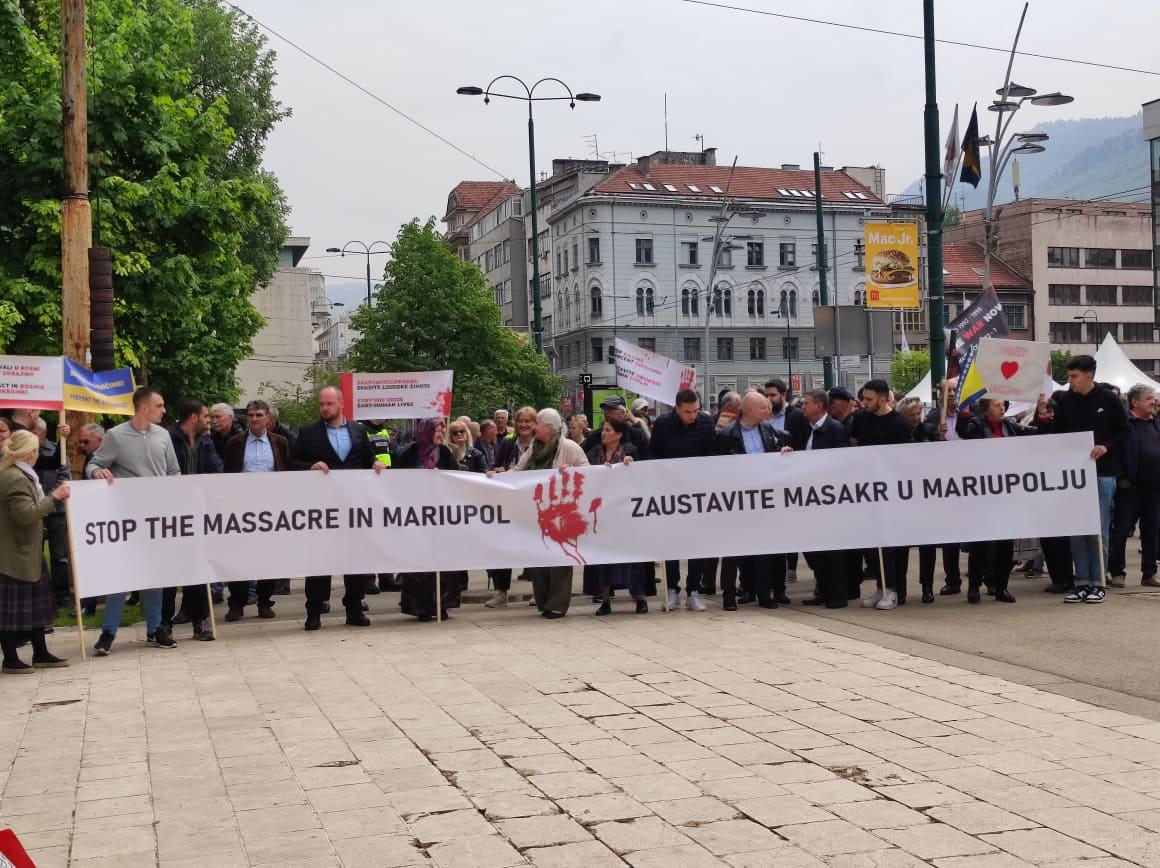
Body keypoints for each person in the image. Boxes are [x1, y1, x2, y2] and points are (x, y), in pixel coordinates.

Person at [87, 386, 182, 654]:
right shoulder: (116, 436)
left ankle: (155, 630)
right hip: (125, 517)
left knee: (155, 574)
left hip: (157, 517)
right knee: (121, 573)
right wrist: (98, 474)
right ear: (144, 407)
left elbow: (174, 471)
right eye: (160, 405)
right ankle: (108, 632)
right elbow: (94, 464)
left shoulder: (163, 435)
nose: (164, 410)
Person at [289, 386, 386, 630]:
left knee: (354, 560)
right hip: (323, 510)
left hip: (353, 508)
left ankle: (354, 608)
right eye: (321, 404)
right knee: (320, 561)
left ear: (341, 404)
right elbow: (292, 462)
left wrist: (375, 464)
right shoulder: (308, 433)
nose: (324, 408)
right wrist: (309, 467)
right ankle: (314, 611)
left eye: (329, 403)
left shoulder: (358, 430)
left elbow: (366, 459)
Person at [1040, 356, 1127, 604]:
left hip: (1102, 472)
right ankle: (1082, 581)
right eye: (1069, 376)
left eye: (1074, 376)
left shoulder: (1108, 399)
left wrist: (1106, 446)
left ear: (1089, 375)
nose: (1071, 381)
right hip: (1074, 475)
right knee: (1077, 529)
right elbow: (1058, 434)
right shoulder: (1066, 400)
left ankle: (1098, 581)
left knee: (1098, 529)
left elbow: (1124, 431)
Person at [0, 430, 71, 673]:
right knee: (10, 610)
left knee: (33, 606)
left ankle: (40, 653)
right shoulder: (15, 478)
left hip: (25, 550)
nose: (38, 454)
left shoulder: (19, 473)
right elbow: (26, 515)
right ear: (30, 453)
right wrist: (55, 497)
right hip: (14, 554)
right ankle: (10, 659)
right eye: (36, 450)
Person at [715, 392, 791, 611]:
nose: (768, 411)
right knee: (733, 551)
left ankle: (764, 594)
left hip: (763, 499)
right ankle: (728, 596)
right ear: (748, 410)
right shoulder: (728, 435)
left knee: (764, 549)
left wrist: (783, 453)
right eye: (763, 408)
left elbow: (775, 455)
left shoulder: (768, 430)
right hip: (737, 500)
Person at [648, 388, 717, 611]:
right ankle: (672, 589)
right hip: (670, 492)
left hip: (698, 493)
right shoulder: (662, 424)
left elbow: (713, 455)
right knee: (671, 543)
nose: (692, 416)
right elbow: (653, 454)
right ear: (676, 408)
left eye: (695, 410)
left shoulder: (706, 423)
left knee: (696, 543)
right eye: (687, 412)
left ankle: (694, 590)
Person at [955, 398, 1030, 604]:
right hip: (984, 493)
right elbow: (963, 431)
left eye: (1003, 405)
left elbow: (1033, 433)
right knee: (981, 543)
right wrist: (963, 411)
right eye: (997, 405)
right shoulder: (978, 425)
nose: (1002, 408)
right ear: (986, 410)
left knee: (1006, 544)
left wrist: (1043, 414)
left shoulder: (1010, 426)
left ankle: (1001, 586)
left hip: (1006, 493)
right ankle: (974, 586)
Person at [516, 408, 589, 618]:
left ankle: (557, 604)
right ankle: (544, 601)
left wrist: (572, 472)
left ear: (547, 427)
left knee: (559, 561)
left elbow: (589, 472)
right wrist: (497, 477)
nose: (533, 426)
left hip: (562, 512)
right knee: (539, 560)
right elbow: (518, 471)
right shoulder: (533, 448)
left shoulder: (569, 447)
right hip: (538, 512)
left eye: (537, 422)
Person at [223, 400, 290, 621]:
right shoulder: (235, 443)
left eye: (259, 415)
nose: (254, 419)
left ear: (268, 417)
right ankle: (237, 602)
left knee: (268, 558)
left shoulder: (280, 442)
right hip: (241, 509)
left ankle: (264, 601)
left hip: (271, 510)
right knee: (239, 558)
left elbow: (287, 472)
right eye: (251, 415)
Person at [163, 398, 224, 640]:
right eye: (206, 416)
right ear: (194, 418)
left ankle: (199, 622)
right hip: (171, 514)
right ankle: (164, 624)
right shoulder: (168, 439)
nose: (209, 421)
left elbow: (216, 469)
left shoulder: (206, 443)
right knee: (170, 573)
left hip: (198, 514)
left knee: (198, 571)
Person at [789, 390, 856, 609]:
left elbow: (839, 462)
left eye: (807, 403)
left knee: (832, 552)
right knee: (815, 550)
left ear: (819, 406)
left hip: (829, 499)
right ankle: (824, 590)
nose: (803, 407)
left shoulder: (835, 429)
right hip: (810, 499)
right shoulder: (806, 429)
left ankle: (837, 594)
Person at [851, 379, 914, 610]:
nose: (864, 403)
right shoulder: (859, 419)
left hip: (892, 493)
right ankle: (881, 586)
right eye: (864, 398)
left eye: (869, 399)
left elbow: (904, 460)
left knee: (892, 544)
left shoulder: (899, 424)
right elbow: (854, 447)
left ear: (884, 398)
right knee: (872, 544)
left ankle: (895, 589)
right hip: (868, 491)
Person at [395, 418, 463, 622]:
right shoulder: (408, 454)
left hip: (441, 517)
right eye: (437, 427)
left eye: (443, 427)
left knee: (442, 564)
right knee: (419, 564)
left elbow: (456, 479)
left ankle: (441, 605)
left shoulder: (445, 453)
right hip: (416, 517)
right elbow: (396, 482)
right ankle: (420, 606)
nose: (441, 430)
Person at [586, 418, 647, 615]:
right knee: (605, 558)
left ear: (619, 434)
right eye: (603, 429)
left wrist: (631, 464)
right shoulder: (595, 453)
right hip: (603, 513)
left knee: (632, 556)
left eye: (608, 430)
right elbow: (583, 472)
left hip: (625, 512)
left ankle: (639, 597)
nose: (603, 433)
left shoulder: (630, 450)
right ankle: (605, 600)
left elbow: (642, 476)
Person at [485, 406, 538, 608]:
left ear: (535, 424)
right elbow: (495, 466)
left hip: (534, 504)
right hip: (509, 504)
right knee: (503, 545)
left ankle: (537, 590)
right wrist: (498, 470)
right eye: (520, 421)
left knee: (535, 547)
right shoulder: (507, 444)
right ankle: (501, 592)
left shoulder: (542, 444)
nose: (523, 425)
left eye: (528, 421)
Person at [1110, 385, 1160, 588]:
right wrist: (1121, 476)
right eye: (1148, 398)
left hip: (1154, 489)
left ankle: (1149, 574)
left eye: (1153, 398)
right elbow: (1114, 451)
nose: (1153, 401)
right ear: (1135, 402)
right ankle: (1117, 573)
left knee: (1151, 532)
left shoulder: (1157, 424)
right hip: (1129, 488)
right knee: (1121, 531)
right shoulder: (1124, 424)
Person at [31, 417, 72, 607]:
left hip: (56, 511)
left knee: (59, 555)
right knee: (34, 554)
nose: (31, 436)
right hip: (32, 511)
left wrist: (49, 501)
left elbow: (64, 477)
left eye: (35, 432)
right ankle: (38, 593)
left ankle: (62, 594)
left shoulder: (58, 450)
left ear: (43, 433)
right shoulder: (24, 454)